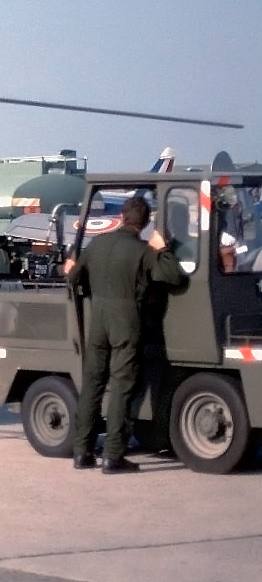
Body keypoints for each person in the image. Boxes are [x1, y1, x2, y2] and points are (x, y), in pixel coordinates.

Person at [65, 196, 186, 473]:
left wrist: (69, 270)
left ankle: (82, 451)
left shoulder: (97, 244)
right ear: (144, 224)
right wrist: (163, 248)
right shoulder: (143, 251)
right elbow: (174, 277)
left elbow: (74, 278)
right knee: (121, 387)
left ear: (121, 217)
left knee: (92, 384)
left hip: (98, 323)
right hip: (127, 324)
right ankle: (113, 455)